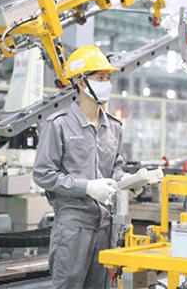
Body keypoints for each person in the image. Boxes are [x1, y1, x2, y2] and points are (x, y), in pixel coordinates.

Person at [33, 45, 127, 289]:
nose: (106, 83)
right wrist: (86, 187)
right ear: (81, 82)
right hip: (73, 228)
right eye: (100, 78)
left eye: (108, 78)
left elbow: (115, 167)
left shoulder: (114, 127)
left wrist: (127, 180)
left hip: (105, 228)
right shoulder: (58, 125)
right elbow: (43, 174)